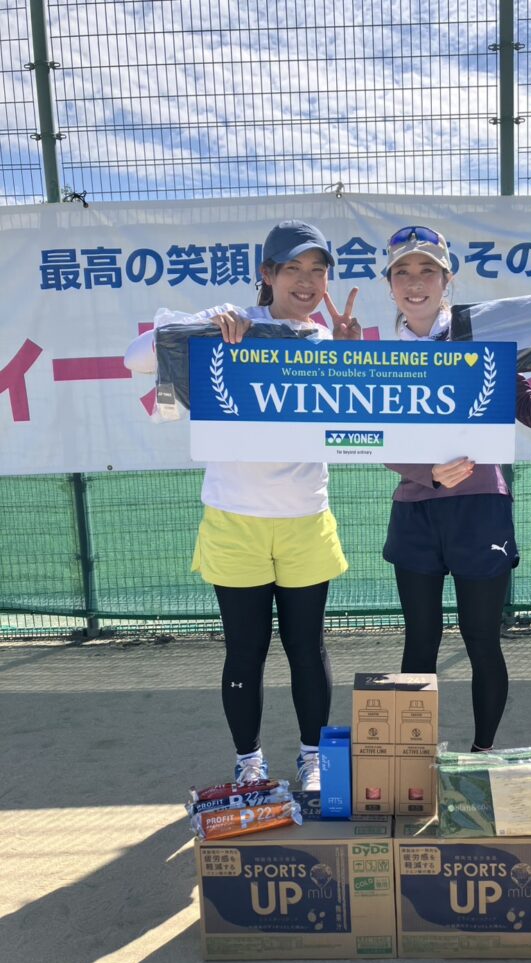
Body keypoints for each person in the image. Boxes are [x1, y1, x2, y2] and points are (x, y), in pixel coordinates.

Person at [124, 220, 360, 789]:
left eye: (317, 270)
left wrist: (350, 354)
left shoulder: (328, 341)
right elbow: (137, 357)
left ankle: (312, 760)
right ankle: (249, 763)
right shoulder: (232, 322)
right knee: (245, 651)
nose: (306, 281)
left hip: (305, 518)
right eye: (293, 268)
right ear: (267, 274)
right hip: (234, 520)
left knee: (307, 648)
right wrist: (210, 323)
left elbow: (357, 417)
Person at [382, 224, 531, 752]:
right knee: (419, 642)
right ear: (390, 285)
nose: (415, 283)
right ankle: (412, 765)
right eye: (402, 273)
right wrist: (426, 473)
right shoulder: (384, 357)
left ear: (447, 280)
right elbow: (373, 438)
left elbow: (529, 411)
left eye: (427, 271)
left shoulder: (485, 341)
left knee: (482, 640)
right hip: (416, 512)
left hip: (481, 509)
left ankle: (482, 759)